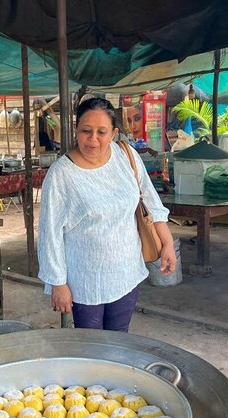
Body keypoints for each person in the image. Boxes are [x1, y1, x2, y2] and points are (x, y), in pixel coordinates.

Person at [37, 97, 176, 331]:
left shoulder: (125, 156)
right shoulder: (61, 174)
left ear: (113, 133)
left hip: (127, 272)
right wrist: (58, 283)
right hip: (86, 280)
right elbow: (49, 234)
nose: (93, 139)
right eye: (86, 131)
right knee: (93, 349)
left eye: (101, 132)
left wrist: (168, 244)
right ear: (76, 130)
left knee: (120, 340)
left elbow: (151, 202)